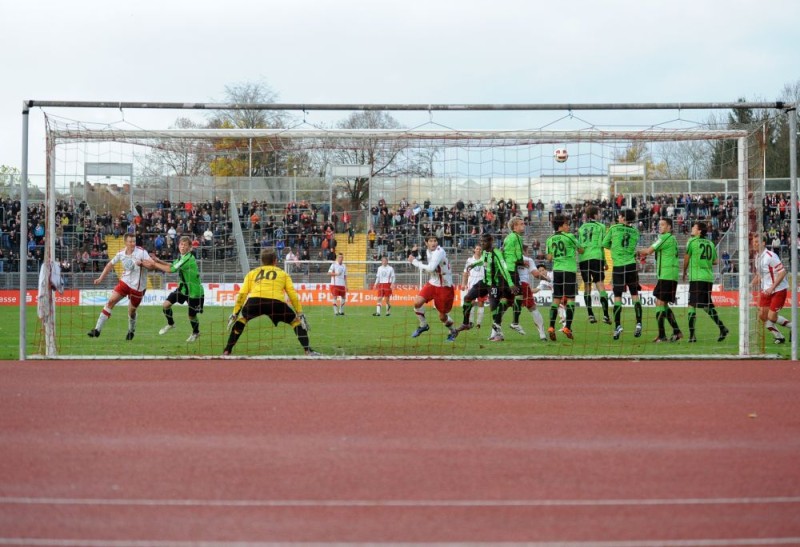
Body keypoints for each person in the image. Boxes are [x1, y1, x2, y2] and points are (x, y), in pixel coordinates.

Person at [223, 247, 319, 356]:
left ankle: (227, 350)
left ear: (262, 261)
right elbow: (292, 294)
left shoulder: (252, 273)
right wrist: (300, 313)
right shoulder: (283, 273)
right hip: (276, 303)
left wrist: (235, 313)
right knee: (295, 321)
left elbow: (242, 294)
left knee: (242, 319)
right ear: (275, 260)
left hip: (255, 301)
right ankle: (307, 350)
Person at [87, 232, 152, 341]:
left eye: (134, 241)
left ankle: (131, 330)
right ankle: (97, 330)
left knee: (131, 312)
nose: (133, 243)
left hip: (138, 287)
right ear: (125, 242)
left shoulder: (142, 252)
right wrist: (100, 278)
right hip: (125, 282)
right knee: (110, 301)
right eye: (130, 241)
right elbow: (109, 265)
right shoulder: (121, 253)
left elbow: (151, 265)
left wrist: (142, 263)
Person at [454, 233, 516, 342]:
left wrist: (510, 283)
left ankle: (498, 334)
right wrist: (474, 264)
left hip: (494, 284)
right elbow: (483, 260)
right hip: (484, 282)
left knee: (493, 309)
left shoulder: (497, 253)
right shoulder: (485, 252)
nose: (482, 243)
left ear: (491, 241)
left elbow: (504, 269)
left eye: (485, 241)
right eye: (481, 241)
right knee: (467, 298)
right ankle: (465, 323)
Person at [142, 235, 205, 342]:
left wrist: (155, 264)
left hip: (194, 292)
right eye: (181, 244)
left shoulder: (189, 258)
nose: (183, 247)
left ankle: (196, 333)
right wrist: (158, 260)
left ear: (190, 248)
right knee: (166, 305)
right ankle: (171, 324)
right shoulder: (181, 257)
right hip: (183, 289)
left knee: (191, 316)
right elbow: (172, 265)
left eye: (185, 245)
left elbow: (171, 270)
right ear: (178, 245)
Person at [682, 221, 728, 343]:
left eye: (694, 227)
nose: (692, 228)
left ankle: (692, 335)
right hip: (708, 278)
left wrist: (684, 272)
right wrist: (704, 262)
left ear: (699, 231)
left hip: (697, 278)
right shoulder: (710, 243)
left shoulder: (691, 242)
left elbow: (686, 258)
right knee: (706, 306)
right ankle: (722, 328)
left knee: (692, 305)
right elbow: (715, 261)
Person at [638, 218, 683, 343]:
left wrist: (634, 252)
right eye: (659, 225)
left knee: (659, 304)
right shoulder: (672, 239)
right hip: (669, 275)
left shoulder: (665, 238)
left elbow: (648, 251)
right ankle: (677, 331)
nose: (660, 227)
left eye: (663, 225)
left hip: (666, 275)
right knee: (663, 305)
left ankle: (662, 336)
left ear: (669, 227)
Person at [602, 208, 642, 340]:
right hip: (631, 265)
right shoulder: (636, 232)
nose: (618, 218)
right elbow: (633, 246)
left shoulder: (614, 228)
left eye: (619, 216)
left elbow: (605, 244)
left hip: (618, 267)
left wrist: (615, 247)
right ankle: (639, 323)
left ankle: (618, 326)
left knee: (617, 297)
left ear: (623, 218)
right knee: (635, 295)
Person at [408, 235, 457, 340]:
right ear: (426, 243)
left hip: (444, 286)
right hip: (432, 283)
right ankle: (423, 325)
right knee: (417, 303)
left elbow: (430, 268)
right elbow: (426, 260)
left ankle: (453, 330)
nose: (433, 243)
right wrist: (414, 254)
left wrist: (415, 262)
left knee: (442, 316)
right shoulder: (428, 251)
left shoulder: (439, 252)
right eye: (431, 241)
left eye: (435, 241)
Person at [546, 215, 583, 340]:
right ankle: (567, 326)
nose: (569, 227)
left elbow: (549, 258)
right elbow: (581, 250)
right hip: (569, 271)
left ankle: (551, 326)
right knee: (571, 299)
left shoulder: (550, 239)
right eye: (567, 224)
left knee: (556, 299)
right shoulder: (570, 237)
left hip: (557, 271)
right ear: (561, 225)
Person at [752, 234, 792, 344]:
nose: (754, 244)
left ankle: (792, 327)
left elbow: (783, 272)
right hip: (766, 290)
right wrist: (749, 285)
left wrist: (772, 287)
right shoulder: (757, 257)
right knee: (762, 316)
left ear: (763, 243)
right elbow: (760, 275)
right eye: (753, 242)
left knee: (772, 317)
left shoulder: (771, 256)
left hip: (778, 290)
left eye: (756, 242)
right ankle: (779, 336)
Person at [577, 205, 610, 324]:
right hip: (596, 257)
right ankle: (606, 315)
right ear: (595, 215)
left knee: (587, 286)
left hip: (583, 259)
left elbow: (579, 246)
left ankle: (590, 314)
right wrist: (605, 261)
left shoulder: (581, 228)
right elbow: (603, 245)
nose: (600, 215)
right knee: (600, 284)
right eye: (599, 213)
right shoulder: (601, 227)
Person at [511, 244, 547, 340]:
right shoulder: (528, 260)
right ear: (525, 251)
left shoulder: (510, 258)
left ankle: (495, 333)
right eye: (527, 251)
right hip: (523, 285)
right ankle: (542, 334)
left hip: (510, 285)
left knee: (503, 306)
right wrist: (546, 279)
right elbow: (536, 274)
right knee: (533, 308)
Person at [503, 216, 527, 336]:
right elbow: (518, 257)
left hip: (504, 270)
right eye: (521, 224)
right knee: (519, 295)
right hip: (511, 269)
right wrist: (524, 263)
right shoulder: (517, 237)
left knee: (506, 300)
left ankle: (496, 325)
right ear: (515, 226)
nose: (523, 226)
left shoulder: (508, 237)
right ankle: (515, 322)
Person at [459, 244, 490, 331]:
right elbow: (465, 272)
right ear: (474, 250)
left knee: (481, 303)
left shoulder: (484, 259)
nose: (478, 250)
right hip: (472, 283)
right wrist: (463, 284)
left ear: (482, 251)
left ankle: (479, 323)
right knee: (471, 302)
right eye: (477, 249)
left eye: (480, 249)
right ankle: (471, 322)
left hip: (482, 284)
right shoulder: (469, 260)